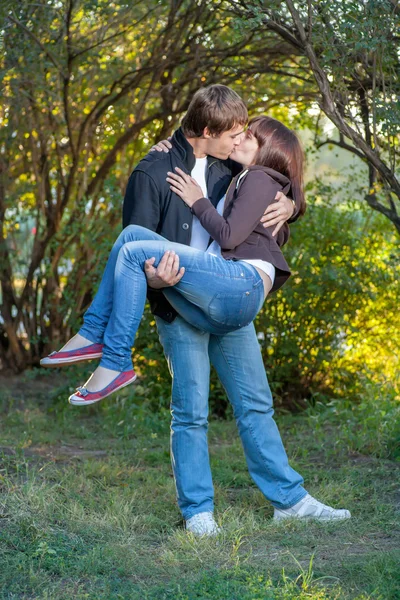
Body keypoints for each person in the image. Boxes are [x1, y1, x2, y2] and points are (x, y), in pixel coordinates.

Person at [41, 86, 351, 534]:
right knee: (189, 412)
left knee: (255, 404)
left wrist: (294, 204)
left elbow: (273, 177)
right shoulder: (154, 170)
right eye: (234, 133)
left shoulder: (232, 163)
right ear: (208, 131)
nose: (240, 138)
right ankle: (199, 513)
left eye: (246, 134)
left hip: (226, 289)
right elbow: (137, 258)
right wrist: (156, 279)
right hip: (179, 302)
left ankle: (290, 500)